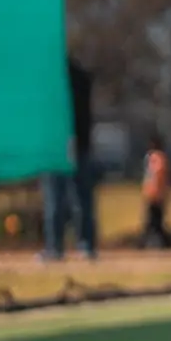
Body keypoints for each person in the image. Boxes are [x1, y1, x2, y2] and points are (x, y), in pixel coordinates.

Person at [41, 58, 98, 261]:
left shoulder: (50, 81)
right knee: (80, 199)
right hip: (78, 143)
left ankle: (54, 247)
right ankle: (85, 246)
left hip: (57, 145)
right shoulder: (81, 77)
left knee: (55, 199)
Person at [141, 137, 171, 249]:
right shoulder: (155, 157)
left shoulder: (157, 157)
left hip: (155, 194)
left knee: (154, 221)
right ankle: (157, 242)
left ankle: (158, 242)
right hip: (154, 194)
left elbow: (157, 173)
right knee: (154, 221)